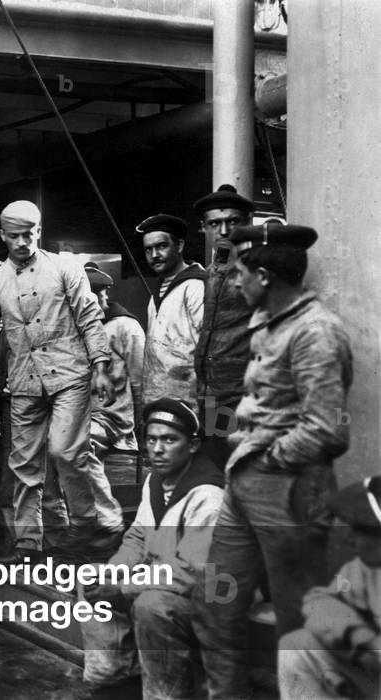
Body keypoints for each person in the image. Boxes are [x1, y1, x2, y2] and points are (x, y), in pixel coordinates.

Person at [193, 222, 353, 699]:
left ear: (263, 275)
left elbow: (326, 427)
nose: (234, 282)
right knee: (215, 603)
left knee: (297, 623)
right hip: (244, 487)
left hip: (289, 490)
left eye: (241, 272)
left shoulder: (315, 332)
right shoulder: (269, 321)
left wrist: (267, 456)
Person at [0, 200, 121, 565]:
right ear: (3, 236)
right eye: (15, 236)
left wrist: (100, 364)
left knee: (65, 452)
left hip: (70, 374)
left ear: (40, 232)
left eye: (30, 234)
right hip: (24, 381)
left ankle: (89, 522)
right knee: (23, 465)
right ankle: (28, 544)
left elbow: (88, 316)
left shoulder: (65, 267)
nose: (23, 242)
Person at [78, 399, 224, 700]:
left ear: (193, 444)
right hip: (161, 582)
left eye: (170, 439)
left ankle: (164, 695)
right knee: (92, 576)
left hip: (208, 600)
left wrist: (122, 588)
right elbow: (137, 537)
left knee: (151, 605)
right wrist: (113, 575)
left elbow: (189, 574)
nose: (157, 449)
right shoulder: (155, 481)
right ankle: (117, 679)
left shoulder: (208, 495)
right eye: (152, 439)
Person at [277, 476, 381, 700]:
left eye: (360, 529)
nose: (349, 539)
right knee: (296, 645)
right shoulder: (365, 569)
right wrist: (362, 640)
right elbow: (319, 602)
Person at [192, 185, 255, 468]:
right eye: (215, 223)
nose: (225, 230)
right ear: (204, 228)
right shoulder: (214, 269)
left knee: (236, 467)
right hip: (209, 392)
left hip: (239, 395)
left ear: (248, 224)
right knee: (215, 464)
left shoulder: (257, 269)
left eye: (233, 221)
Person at [135, 214, 205, 408]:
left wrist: (208, 407)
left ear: (180, 246)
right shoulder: (156, 294)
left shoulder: (196, 287)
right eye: (148, 249)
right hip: (157, 399)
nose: (154, 255)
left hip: (189, 403)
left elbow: (209, 350)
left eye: (161, 246)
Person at [85, 263, 145, 455]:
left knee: (79, 443)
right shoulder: (74, 326)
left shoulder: (124, 326)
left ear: (105, 293)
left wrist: (140, 426)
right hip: (79, 414)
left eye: (98, 292)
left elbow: (139, 379)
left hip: (111, 417)